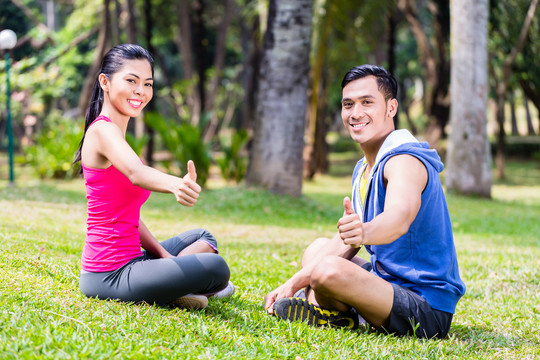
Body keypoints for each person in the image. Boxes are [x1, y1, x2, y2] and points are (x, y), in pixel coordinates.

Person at [264, 64, 465, 339]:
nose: (356, 113)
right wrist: (291, 283)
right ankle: (339, 316)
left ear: (391, 108)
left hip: (426, 308)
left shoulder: (404, 161)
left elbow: (399, 218)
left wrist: (364, 232)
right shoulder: (365, 167)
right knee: (318, 250)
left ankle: (330, 308)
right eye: (348, 104)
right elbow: (346, 242)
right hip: (386, 284)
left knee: (327, 270)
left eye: (367, 102)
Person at [74, 44, 233, 310]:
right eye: (131, 81)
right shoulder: (102, 131)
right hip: (108, 274)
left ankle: (171, 288)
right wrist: (175, 184)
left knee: (203, 236)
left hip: (135, 260)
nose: (141, 91)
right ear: (105, 82)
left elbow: (128, 215)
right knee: (217, 268)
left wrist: (162, 254)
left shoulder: (118, 138)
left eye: (147, 84)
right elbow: (137, 174)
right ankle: (172, 290)